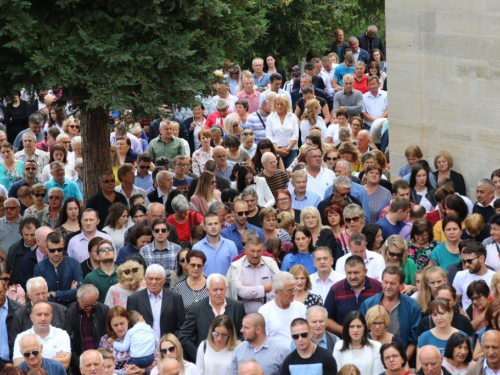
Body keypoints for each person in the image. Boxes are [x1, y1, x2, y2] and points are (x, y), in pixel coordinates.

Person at [178, 273, 245, 362]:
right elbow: (184, 336)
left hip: (231, 359)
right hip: (206, 361)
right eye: (215, 290)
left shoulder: (237, 307)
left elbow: (243, 334)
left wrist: (234, 352)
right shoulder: (197, 308)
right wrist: (200, 355)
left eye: (222, 289)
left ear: (226, 289)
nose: (219, 293)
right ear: (208, 290)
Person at [360, 267, 421, 360]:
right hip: (371, 359)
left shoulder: (412, 306)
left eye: (392, 283)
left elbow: (414, 339)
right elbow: (361, 333)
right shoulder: (368, 304)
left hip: (402, 359)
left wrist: (402, 361)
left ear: (401, 285)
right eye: (385, 282)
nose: (388, 286)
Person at [324, 255, 383, 336]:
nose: (352, 277)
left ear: (365, 271)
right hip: (344, 342)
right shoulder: (336, 289)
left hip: (374, 340)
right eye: (349, 273)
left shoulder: (378, 287)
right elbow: (327, 319)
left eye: (356, 272)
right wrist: (346, 332)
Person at [226, 235, 280, 314]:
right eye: (252, 251)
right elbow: (241, 292)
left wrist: (251, 296)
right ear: (245, 250)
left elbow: (278, 290)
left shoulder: (270, 264)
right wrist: (265, 289)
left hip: (270, 316)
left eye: (258, 251)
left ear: (263, 250)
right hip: (244, 318)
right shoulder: (236, 267)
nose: (255, 255)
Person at [12, 301, 71, 370]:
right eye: (39, 314)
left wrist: (32, 362)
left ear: (51, 317)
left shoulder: (62, 334)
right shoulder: (21, 337)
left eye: (46, 314)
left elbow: (64, 364)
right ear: (31, 317)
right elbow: (18, 365)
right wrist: (53, 360)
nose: (43, 318)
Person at [65, 284, 109, 374]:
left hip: (101, 359)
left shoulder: (104, 309)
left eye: (93, 305)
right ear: (78, 299)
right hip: (79, 360)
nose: (89, 308)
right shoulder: (69, 313)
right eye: (86, 305)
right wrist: (78, 362)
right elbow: (68, 341)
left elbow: (108, 335)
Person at [258, 272, 307, 348]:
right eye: (289, 291)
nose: (293, 293)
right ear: (276, 292)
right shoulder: (265, 310)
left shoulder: (300, 307)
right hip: (274, 355)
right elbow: (262, 340)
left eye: (294, 289)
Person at [33, 232, 83, 305]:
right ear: (46, 248)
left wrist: (52, 294)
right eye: (52, 250)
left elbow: (80, 291)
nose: (56, 253)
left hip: (72, 306)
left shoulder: (74, 263)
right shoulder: (39, 267)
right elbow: (40, 295)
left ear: (63, 245)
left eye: (59, 249)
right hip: (50, 307)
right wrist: (69, 293)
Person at [417, 299, 467, 369]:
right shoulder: (425, 337)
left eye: (442, 313)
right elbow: (419, 366)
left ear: (450, 313)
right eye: (435, 315)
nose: (438, 318)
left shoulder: (462, 336)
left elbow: (468, 364)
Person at [333, 311, 384, 375]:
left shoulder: (376, 346)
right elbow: (339, 372)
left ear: (364, 327)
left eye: (358, 326)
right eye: (352, 326)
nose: (355, 330)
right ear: (347, 328)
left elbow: (378, 373)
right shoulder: (339, 346)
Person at [452, 241, 495, 313]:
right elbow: (454, 301)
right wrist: (464, 318)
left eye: (469, 261)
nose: (466, 265)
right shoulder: (460, 276)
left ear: (481, 258)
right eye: (464, 261)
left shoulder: (495, 277)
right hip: (467, 321)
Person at [265, 95, 299, 168]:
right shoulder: (270, 118)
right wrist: (277, 150)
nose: (279, 106)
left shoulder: (292, 117)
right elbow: (269, 136)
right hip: (276, 150)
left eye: (282, 104)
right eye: (278, 104)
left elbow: (295, 135)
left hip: (291, 150)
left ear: (286, 104)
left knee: (292, 172)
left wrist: (288, 148)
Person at [83, 239, 118, 303]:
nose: (107, 251)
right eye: (102, 250)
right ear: (98, 256)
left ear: (114, 254)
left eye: (110, 249)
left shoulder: (125, 272)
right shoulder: (90, 278)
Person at [174, 250, 208, 315]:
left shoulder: (210, 285)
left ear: (203, 266)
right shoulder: (179, 287)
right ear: (187, 265)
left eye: (199, 265)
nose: (196, 268)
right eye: (193, 265)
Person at [0, 277, 22, 372]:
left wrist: (16, 362)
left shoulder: (19, 310)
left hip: (16, 363)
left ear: (5, 289)